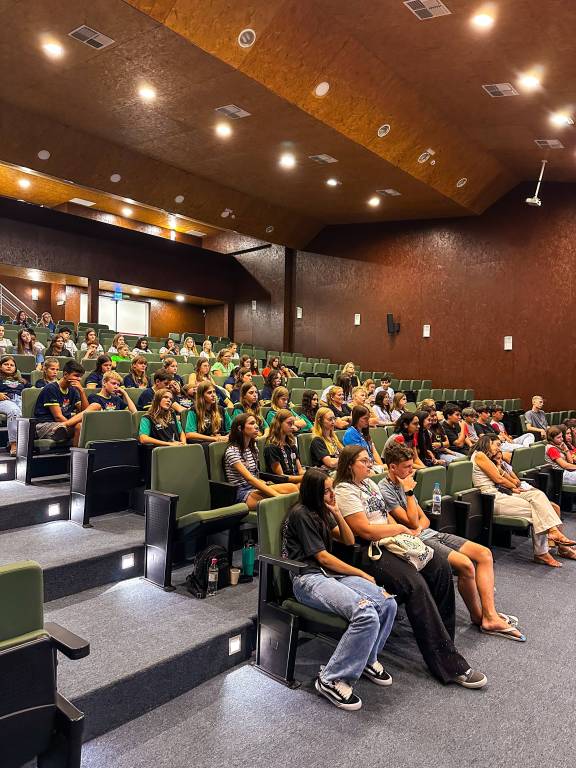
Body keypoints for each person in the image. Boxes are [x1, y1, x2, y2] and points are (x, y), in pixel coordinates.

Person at [334, 445, 487, 688]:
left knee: (440, 567)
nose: (370, 463)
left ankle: (444, 641)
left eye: (369, 459)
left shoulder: (370, 484)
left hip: (391, 542)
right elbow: (364, 530)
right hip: (367, 551)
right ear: (349, 465)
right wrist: (399, 529)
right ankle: (448, 663)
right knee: (416, 584)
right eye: (364, 461)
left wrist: (402, 531)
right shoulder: (344, 490)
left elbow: (385, 515)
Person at [381, 441, 524, 641]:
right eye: (407, 467)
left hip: (426, 532)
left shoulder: (405, 483)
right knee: (466, 565)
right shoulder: (386, 489)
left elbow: (424, 520)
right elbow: (411, 520)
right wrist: (410, 494)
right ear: (392, 467)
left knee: (484, 554)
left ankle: (489, 614)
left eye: (412, 465)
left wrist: (417, 525)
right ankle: (479, 616)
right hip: (413, 542)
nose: (412, 471)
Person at [284, 468, 397, 710]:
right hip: (308, 579)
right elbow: (322, 557)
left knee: (387, 602)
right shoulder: (301, 514)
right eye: (327, 491)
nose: (332, 494)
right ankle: (331, 679)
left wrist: (336, 512)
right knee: (366, 613)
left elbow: (348, 540)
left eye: (332, 489)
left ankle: (367, 659)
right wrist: (360, 573)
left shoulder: (323, 510)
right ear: (314, 492)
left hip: (331, 576)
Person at [470, 434, 572, 567]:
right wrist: (513, 486)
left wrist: (512, 482)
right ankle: (543, 552)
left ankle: (553, 536)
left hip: (502, 493)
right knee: (539, 510)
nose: (499, 448)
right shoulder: (479, 455)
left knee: (538, 495)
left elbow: (507, 477)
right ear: (488, 442)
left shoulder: (490, 458)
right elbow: (499, 479)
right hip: (490, 498)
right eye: (497, 445)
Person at [224, 414, 298, 507]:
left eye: (256, 423)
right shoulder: (231, 451)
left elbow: (255, 475)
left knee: (292, 488)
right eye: (251, 423)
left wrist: (267, 485)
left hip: (254, 487)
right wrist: (277, 495)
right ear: (240, 428)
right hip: (241, 493)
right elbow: (250, 479)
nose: (256, 426)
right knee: (286, 497)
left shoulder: (253, 448)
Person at [33, 360, 99, 446]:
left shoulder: (73, 389)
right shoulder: (51, 388)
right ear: (65, 374)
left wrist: (82, 391)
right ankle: (76, 453)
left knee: (95, 406)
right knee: (79, 427)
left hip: (63, 424)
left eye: (80, 377)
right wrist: (73, 424)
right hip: (46, 425)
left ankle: (76, 452)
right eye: (76, 376)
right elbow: (58, 417)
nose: (79, 379)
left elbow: (84, 411)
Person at [264, 409, 305, 482]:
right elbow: (281, 476)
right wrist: (305, 479)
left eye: (293, 423)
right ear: (279, 424)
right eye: (289, 423)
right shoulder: (271, 447)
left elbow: (300, 470)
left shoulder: (291, 444)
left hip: (294, 479)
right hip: (280, 482)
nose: (292, 427)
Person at [0, 355, 29, 455]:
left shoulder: (22, 380)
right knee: (14, 411)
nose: (9, 366)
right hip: (5, 400)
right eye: (6, 364)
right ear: (0, 366)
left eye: (12, 365)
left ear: (15, 368)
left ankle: (26, 443)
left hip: (20, 400)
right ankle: (14, 444)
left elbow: (32, 389)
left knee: (28, 412)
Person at [342, 405, 385, 470]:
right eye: (365, 418)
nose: (368, 421)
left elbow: (373, 451)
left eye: (368, 418)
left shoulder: (364, 432)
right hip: (360, 467)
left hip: (371, 465)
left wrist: (381, 466)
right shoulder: (350, 433)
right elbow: (358, 458)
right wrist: (380, 468)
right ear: (356, 418)